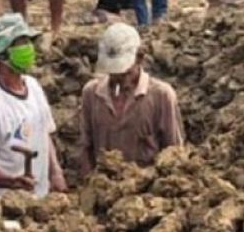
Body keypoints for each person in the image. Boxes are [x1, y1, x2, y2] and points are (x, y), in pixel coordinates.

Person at [0, 12, 67, 198]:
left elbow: (44, 132)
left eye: (28, 41)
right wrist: (13, 183)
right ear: (2, 54)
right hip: (5, 206)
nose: (28, 48)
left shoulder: (32, 86)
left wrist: (55, 173)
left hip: (40, 200)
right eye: (20, 44)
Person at [78, 22, 183, 174]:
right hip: (104, 186)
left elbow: (174, 152)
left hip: (146, 191)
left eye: (125, 72)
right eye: (113, 72)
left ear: (140, 58)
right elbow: (85, 146)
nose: (119, 79)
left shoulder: (161, 96)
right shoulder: (92, 94)